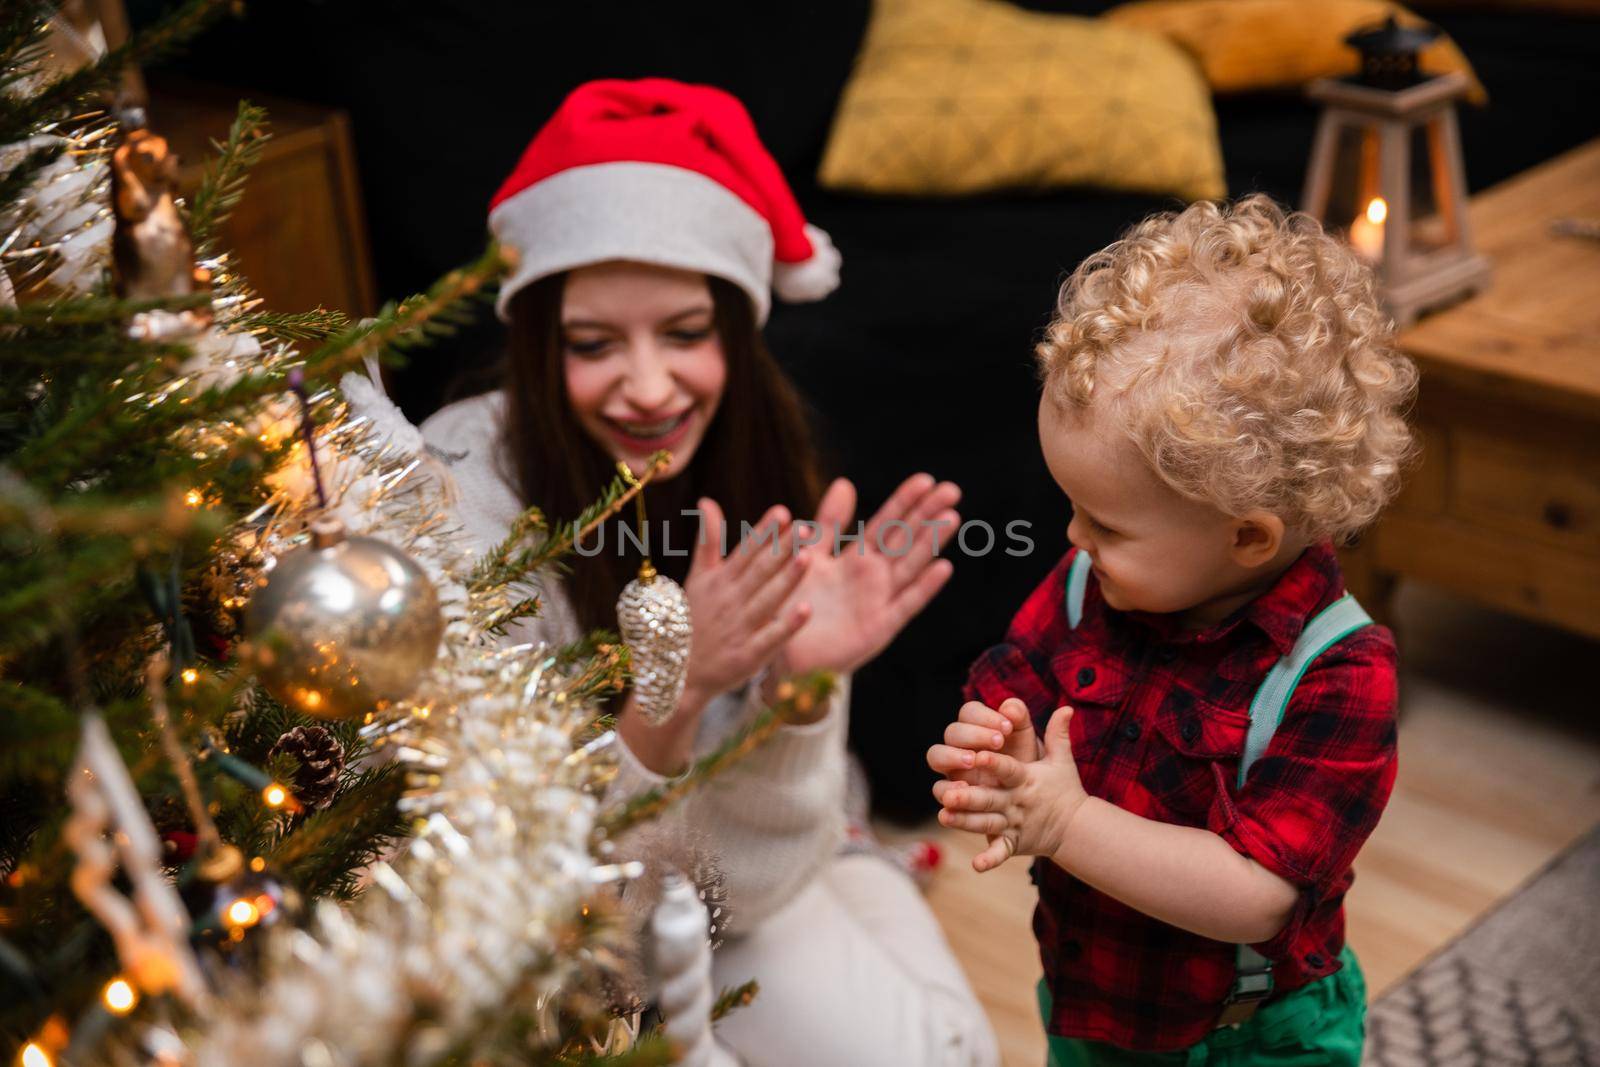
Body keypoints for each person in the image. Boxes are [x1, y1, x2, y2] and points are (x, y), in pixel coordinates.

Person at [418, 79, 998, 1066]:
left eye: (685, 334)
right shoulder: (462, 512)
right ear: (535, 341)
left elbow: (748, 888)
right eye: (593, 344)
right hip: (570, 954)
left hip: (740, 876)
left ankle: (877, 870)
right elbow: (570, 930)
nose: (648, 388)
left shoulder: (758, 454)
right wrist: (671, 697)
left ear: (736, 326)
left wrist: (797, 695)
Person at [927, 196, 1417, 1065]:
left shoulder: (1340, 673)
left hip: (1249, 1036)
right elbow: (1017, 680)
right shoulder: (1091, 581)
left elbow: (1257, 894)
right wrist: (998, 749)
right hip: (1092, 1002)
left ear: (1246, 536)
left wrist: (1066, 823)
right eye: (1071, 507)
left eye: (1106, 523)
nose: (1074, 539)